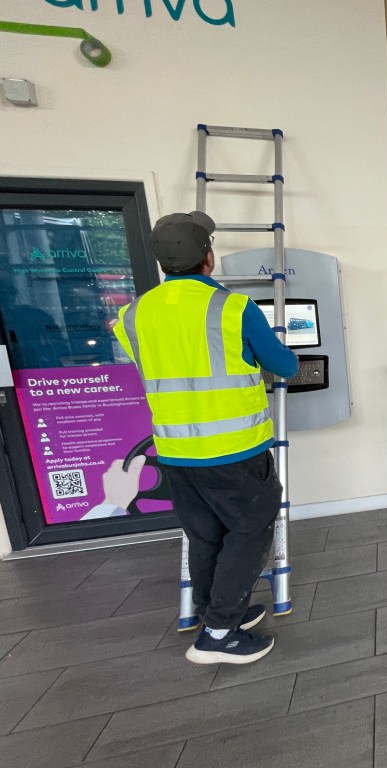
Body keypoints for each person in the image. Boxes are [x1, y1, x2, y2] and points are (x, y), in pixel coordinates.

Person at [113, 211, 298, 665]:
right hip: (235, 451)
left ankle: (211, 611)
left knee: (205, 536)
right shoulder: (233, 308)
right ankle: (218, 634)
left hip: (176, 452)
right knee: (249, 532)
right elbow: (285, 365)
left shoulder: (133, 315)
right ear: (208, 257)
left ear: (162, 263)